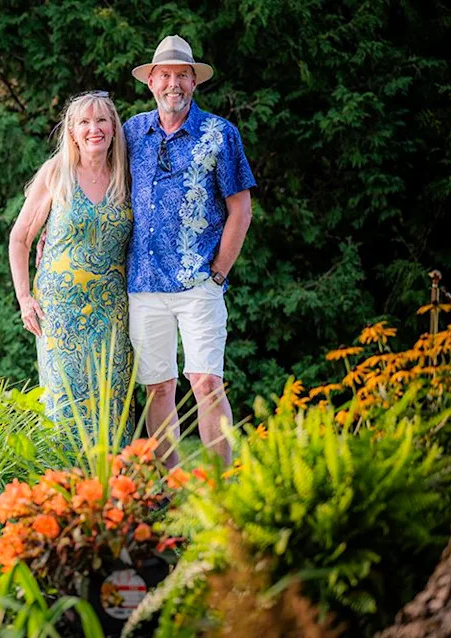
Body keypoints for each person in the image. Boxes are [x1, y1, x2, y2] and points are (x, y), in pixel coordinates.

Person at [124, 35, 256, 467]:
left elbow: (241, 209)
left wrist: (219, 271)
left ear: (194, 82)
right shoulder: (130, 133)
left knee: (206, 383)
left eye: (183, 75)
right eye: (165, 75)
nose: (173, 84)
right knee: (158, 389)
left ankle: (226, 489)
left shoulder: (221, 134)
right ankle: (170, 492)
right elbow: (85, 173)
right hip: (143, 285)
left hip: (199, 283)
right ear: (151, 82)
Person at [9, 92, 134, 427]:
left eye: (102, 120)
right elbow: (20, 238)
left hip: (112, 312)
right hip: (60, 311)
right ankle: (64, 480)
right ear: (73, 132)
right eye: (84, 122)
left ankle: (111, 479)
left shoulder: (126, 176)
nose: (94, 128)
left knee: (111, 401)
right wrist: (24, 299)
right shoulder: (56, 173)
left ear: (113, 128)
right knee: (64, 402)